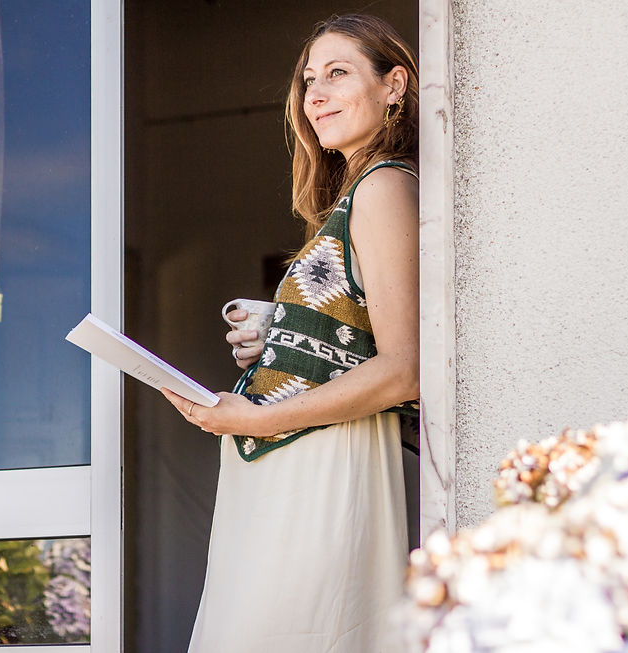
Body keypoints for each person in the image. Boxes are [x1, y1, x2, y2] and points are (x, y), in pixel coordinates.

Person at [161, 13, 419, 653]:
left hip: (322, 473)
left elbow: (405, 368)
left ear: (395, 86)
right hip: (296, 470)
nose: (317, 95)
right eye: (309, 80)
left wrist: (250, 419)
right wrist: (284, 329)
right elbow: (361, 329)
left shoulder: (384, 187)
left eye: (338, 74)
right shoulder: (357, 193)